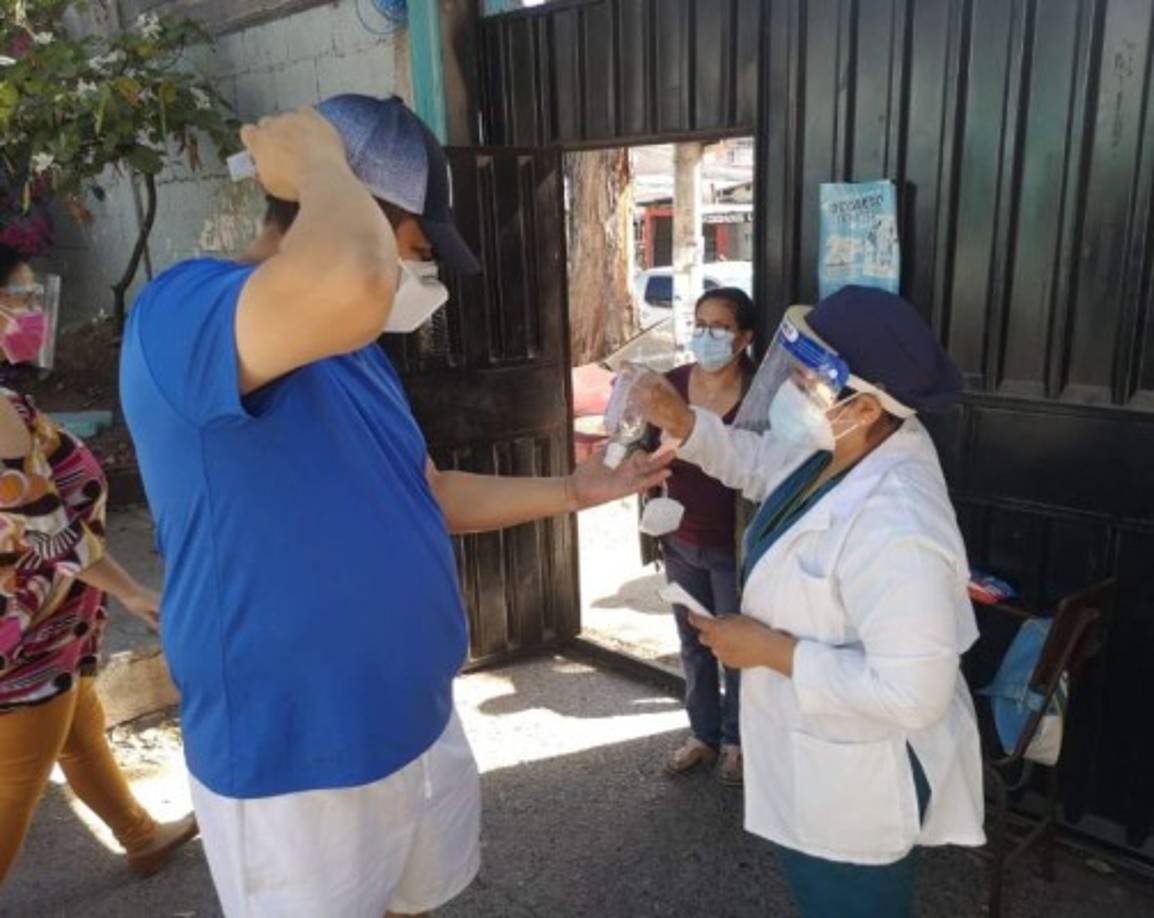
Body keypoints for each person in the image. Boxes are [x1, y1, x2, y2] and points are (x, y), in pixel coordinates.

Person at [119, 95, 669, 918]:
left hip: (414, 717)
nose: (424, 278)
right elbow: (355, 276)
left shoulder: (355, 354)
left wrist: (572, 490)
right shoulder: (185, 309)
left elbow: (429, 491)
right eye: (417, 249)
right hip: (296, 756)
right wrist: (315, 156)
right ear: (358, 214)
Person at [635, 285, 985, 917]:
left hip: (859, 785)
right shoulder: (840, 446)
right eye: (793, 370)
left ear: (866, 405)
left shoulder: (899, 525)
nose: (791, 388)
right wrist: (686, 425)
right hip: (814, 758)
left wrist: (772, 650)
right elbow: (760, 463)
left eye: (807, 379)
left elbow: (914, 693)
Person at [0, 245, 198, 886]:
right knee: (13, 789)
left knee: (77, 723)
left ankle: (140, 836)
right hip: (23, 639)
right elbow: (50, 537)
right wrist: (135, 592)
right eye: (21, 297)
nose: (34, 311)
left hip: (48, 631)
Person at [659, 287, 754, 785]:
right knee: (693, 644)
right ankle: (703, 735)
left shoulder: (759, 395)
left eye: (720, 327)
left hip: (734, 546)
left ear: (744, 338)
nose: (707, 335)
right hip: (680, 539)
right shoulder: (672, 385)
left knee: (735, 648)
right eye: (700, 324)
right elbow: (639, 446)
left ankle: (738, 743)